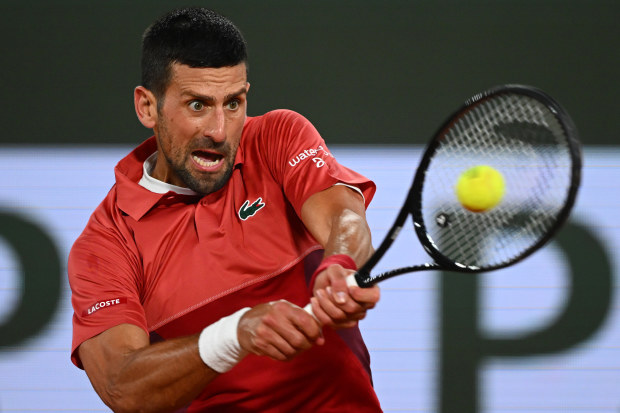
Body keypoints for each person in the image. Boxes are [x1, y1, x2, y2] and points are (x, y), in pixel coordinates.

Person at [68, 7, 382, 412]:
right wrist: (233, 335)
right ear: (147, 107)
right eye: (197, 106)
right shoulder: (106, 245)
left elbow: (345, 216)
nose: (219, 131)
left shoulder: (276, 137)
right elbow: (122, 387)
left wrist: (339, 264)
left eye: (233, 104)